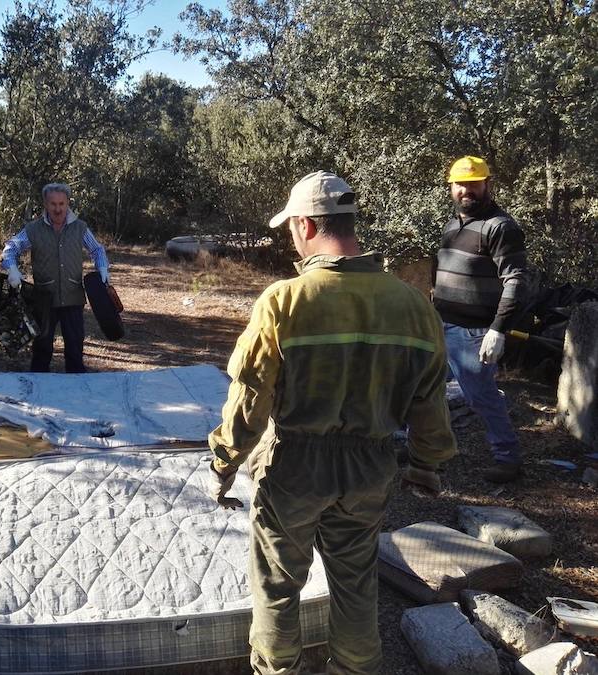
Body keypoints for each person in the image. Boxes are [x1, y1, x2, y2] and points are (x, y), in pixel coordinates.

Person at [208, 171, 457, 674]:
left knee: (279, 585)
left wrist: (225, 460)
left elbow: (250, 399)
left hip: (296, 465)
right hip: (370, 466)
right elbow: (430, 401)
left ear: (305, 224)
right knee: (356, 581)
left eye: (290, 230)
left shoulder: (284, 301)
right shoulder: (413, 306)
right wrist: (427, 464)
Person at [433, 156, 528, 483]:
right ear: (451, 187)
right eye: (460, 184)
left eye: (474, 183)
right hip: (440, 326)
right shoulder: (451, 225)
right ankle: (426, 447)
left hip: (474, 332)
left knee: (481, 397)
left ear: (488, 184)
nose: (467, 190)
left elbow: (515, 280)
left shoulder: (500, 227)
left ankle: (507, 458)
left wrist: (498, 330)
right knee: (424, 387)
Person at [1, 182, 109, 373]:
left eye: (62, 204)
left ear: (68, 203)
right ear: (45, 204)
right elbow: (11, 248)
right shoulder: (33, 229)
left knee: (75, 350)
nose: (58, 209)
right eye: (53, 204)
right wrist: (12, 270)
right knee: (41, 350)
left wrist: (102, 268)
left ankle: (76, 393)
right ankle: (36, 394)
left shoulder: (79, 227)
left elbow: (96, 249)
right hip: (44, 299)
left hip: (73, 297)